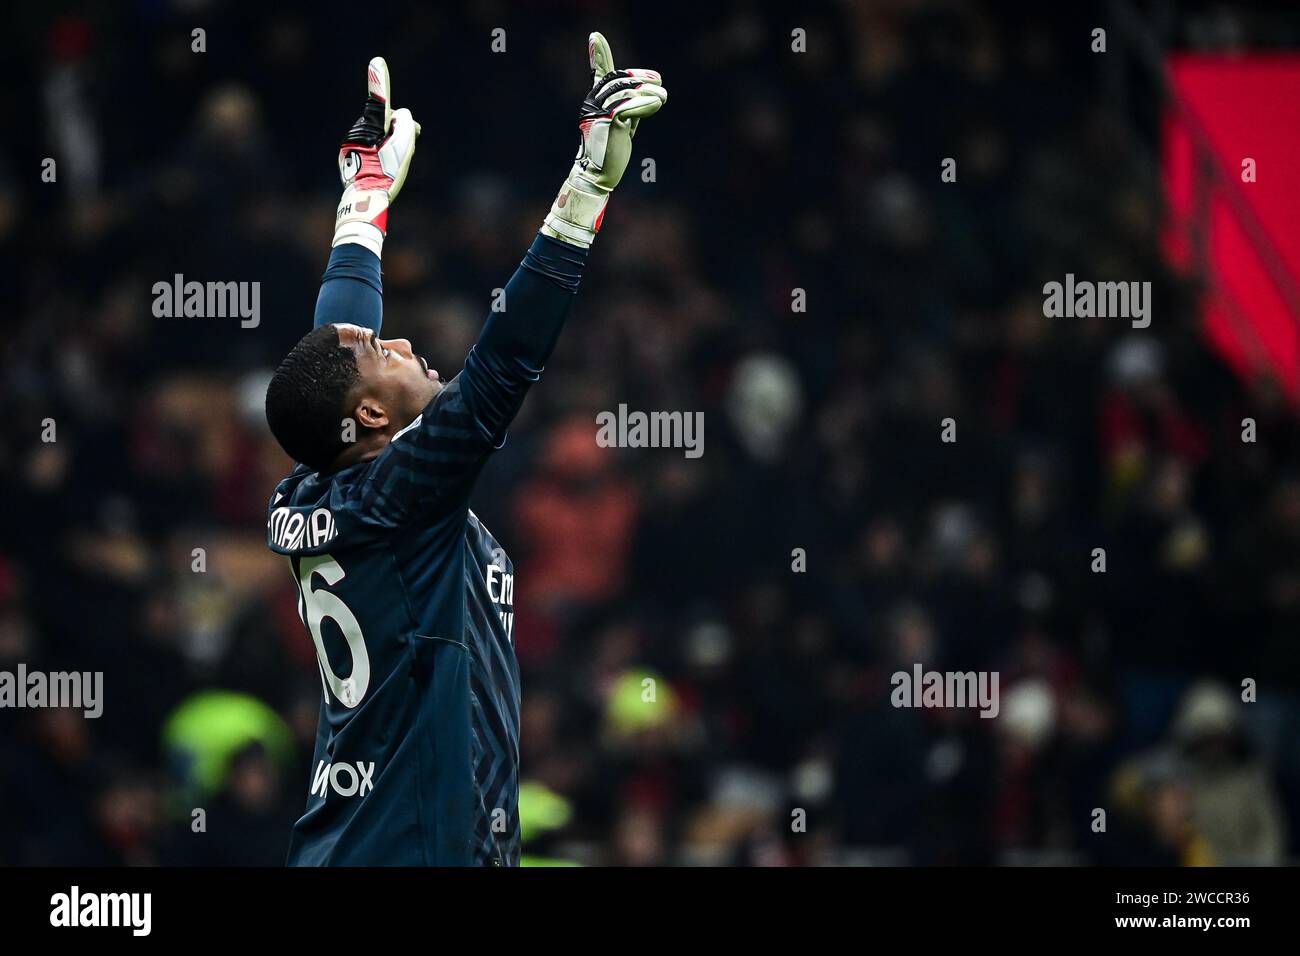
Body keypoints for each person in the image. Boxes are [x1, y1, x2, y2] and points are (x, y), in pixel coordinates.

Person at [261, 35, 666, 865]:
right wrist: (586, 191)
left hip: (355, 845)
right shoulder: (404, 490)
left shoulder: (321, 482)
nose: (400, 341)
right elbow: (504, 364)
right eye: (383, 351)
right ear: (372, 414)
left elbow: (331, 361)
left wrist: (362, 210)